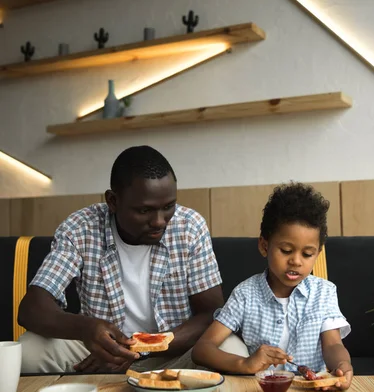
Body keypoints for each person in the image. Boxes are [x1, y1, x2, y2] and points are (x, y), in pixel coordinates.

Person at [18, 145, 226, 374]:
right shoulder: (80, 228)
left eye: (168, 207)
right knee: (26, 352)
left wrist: (139, 348)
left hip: (170, 353)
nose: (159, 221)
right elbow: (31, 308)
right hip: (96, 350)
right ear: (113, 201)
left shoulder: (190, 227)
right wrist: (86, 328)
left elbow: (212, 314)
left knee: (231, 348)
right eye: (145, 211)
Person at [192, 183, 353, 390]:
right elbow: (202, 349)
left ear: (318, 253)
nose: (296, 261)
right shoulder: (245, 294)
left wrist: (342, 365)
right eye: (286, 250)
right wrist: (245, 363)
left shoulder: (324, 292)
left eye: (307, 254)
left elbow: (332, 344)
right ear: (264, 246)